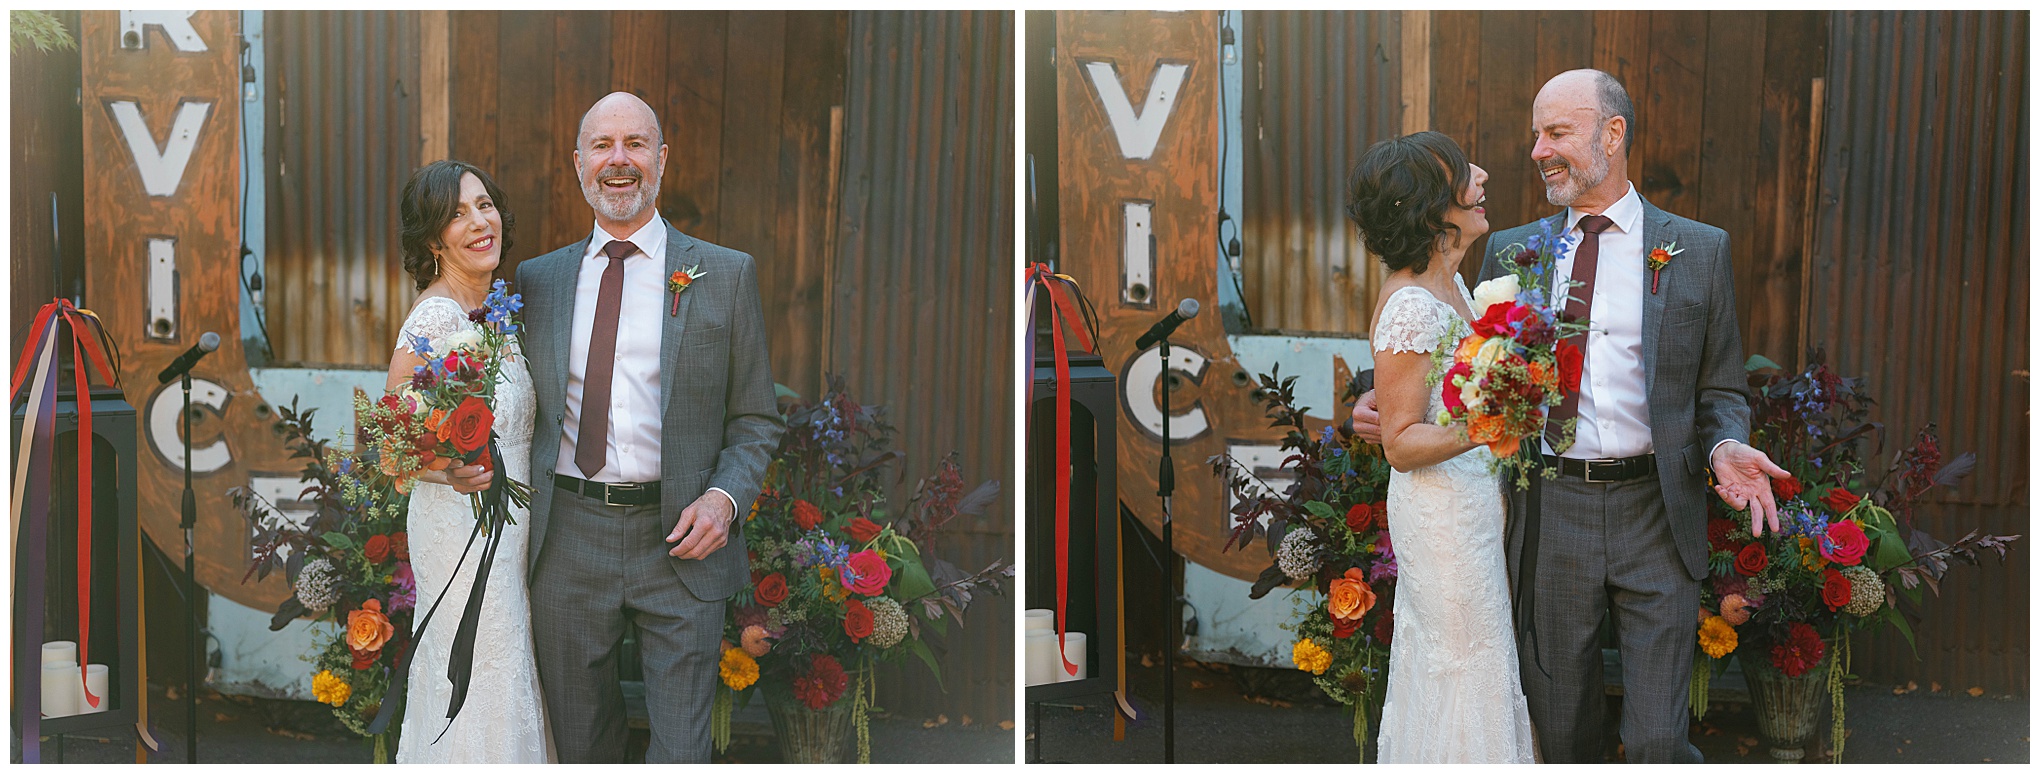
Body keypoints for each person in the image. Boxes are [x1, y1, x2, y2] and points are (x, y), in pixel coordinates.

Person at [1352, 69, 1791, 763]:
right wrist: (1376, 403)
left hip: (1657, 511)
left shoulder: (1699, 251)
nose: (1537, 151)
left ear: (1611, 135)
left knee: (1655, 737)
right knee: (1559, 731)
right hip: (1550, 510)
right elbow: (1444, 352)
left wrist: (1724, 445)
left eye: (1556, 133)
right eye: (1537, 134)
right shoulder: (1508, 250)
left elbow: (1721, 387)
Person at [452, 91, 784, 763]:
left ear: (662, 159)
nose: (618, 160)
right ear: (577, 163)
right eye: (602, 145)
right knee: (578, 744)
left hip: (681, 541)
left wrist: (724, 500)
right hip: (568, 539)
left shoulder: (724, 275)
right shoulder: (536, 282)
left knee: (683, 748)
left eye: (635, 144)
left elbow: (755, 418)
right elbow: (502, 400)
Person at [1347, 130, 1537, 763]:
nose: (1481, 177)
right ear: (1433, 207)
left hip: (1475, 505)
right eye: (1463, 173)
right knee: (1462, 664)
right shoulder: (1411, 301)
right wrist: (1492, 422)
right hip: (1445, 516)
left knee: (1474, 664)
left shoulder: (1453, 286)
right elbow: (1400, 441)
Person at [386, 159, 553, 762]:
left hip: (512, 535)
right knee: (478, 674)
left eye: (484, 205)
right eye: (457, 214)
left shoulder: (498, 316)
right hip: (462, 535)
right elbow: (392, 447)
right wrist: (449, 472)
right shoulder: (435, 320)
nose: (479, 222)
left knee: (505, 672)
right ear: (434, 240)